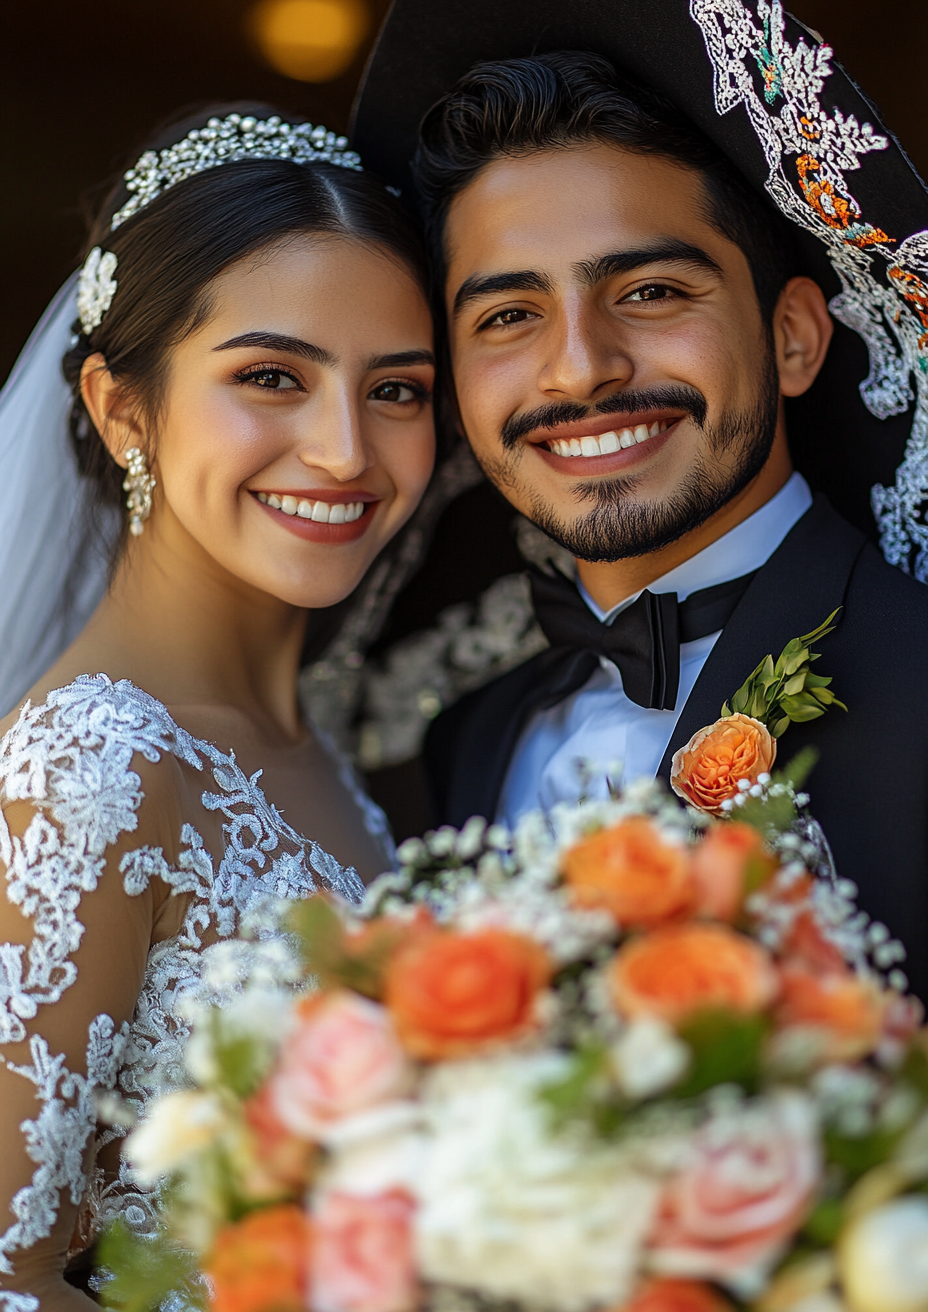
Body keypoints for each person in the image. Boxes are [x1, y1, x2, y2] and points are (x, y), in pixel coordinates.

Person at [349, 2, 928, 997]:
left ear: (792, 337)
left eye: (651, 292)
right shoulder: (467, 736)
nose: (578, 370)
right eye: (509, 315)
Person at [0, 108, 436, 1306]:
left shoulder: (330, 743)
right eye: (270, 377)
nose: (346, 449)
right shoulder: (87, 766)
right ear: (120, 407)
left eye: (396, 389)